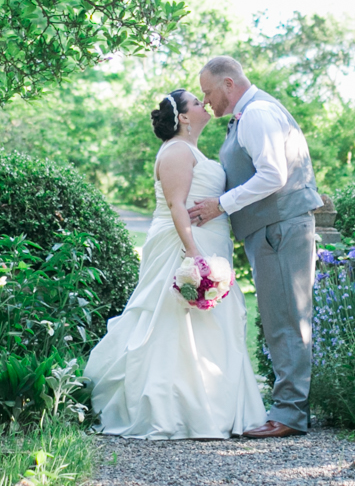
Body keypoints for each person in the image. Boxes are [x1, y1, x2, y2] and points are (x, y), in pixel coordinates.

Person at [84, 88, 266, 439]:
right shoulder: (177, 151)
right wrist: (193, 253)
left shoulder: (194, 150)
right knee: (174, 320)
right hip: (183, 244)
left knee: (208, 322)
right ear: (182, 117)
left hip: (209, 243)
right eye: (196, 103)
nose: (203, 104)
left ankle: (212, 406)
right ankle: (174, 410)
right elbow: (176, 205)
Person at [187, 55, 320, 439]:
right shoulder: (250, 115)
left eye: (208, 92)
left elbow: (273, 176)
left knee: (287, 320)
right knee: (280, 318)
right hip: (270, 228)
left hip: (279, 227)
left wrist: (220, 205)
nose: (207, 101)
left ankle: (290, 414)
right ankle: (288, 407)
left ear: (229, 84)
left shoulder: (258, 114)